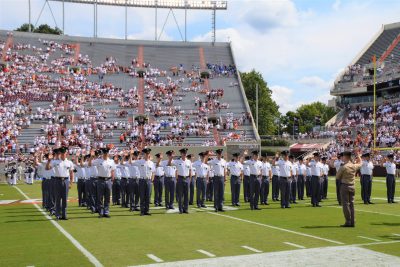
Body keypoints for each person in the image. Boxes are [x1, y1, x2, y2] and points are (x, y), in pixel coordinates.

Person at [46, 147, 74, 220]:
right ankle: (58, 214)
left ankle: (64, 215)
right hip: (57, 180)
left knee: (65, 199)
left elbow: (71, 173)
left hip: (66, 181)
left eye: (64, 153)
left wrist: (71, 182)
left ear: (66, 154)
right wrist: (49, 161)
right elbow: (47, 168)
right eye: (61, 153)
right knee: (57, 198)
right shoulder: (55, 162)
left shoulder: (69, 162)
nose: (62, 155)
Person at [336, 151, 362, 227]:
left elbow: (337, 177)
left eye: (343, 156)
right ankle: (353, 221)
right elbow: (360, 163)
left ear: (345, 157)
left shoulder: (344, 167)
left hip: (345, 186)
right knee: (352, 204)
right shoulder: (354, 166)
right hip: (352, 186)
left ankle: (348, 221)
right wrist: (358, 156)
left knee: (345, 204)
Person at [89, 147, 116, 218]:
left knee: (107, 198)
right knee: (100, 197)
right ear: (102, 153)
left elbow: (113, 171)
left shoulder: (111, 161)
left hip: (109, 180)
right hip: (100, 180)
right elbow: (89, 164)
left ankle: (106, 212)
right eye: (104, 153)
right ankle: (100, 212)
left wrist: (112, 180)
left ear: (108, 153)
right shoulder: (98, 160)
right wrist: (91, 157)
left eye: (106, 153)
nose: (105, 154)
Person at [136, 148, 155, 216]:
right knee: (142, 196)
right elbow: (130, 163)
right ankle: (142, 211)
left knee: (148, 197)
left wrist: (152, 180)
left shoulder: (151, 163)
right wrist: (130, 154)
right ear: (143, 154)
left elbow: (153, 172)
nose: (147, 155)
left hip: (149, 180)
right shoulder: (140, 161)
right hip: (142, 180)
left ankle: (146, 211)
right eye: (146, 154)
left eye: (148, 154)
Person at [175, 148, 192, 214]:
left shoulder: (189, 161)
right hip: (180, 178)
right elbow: (175, 170)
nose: (184, 155)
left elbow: (190, 170)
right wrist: (177, 179)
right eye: (183, 153)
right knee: (180, 195)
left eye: (185, 153)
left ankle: (186, 209)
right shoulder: (178, 161)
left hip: (187, 178)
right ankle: (180, 209)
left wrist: (190, 179)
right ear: (181, 154)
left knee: (186, 195)